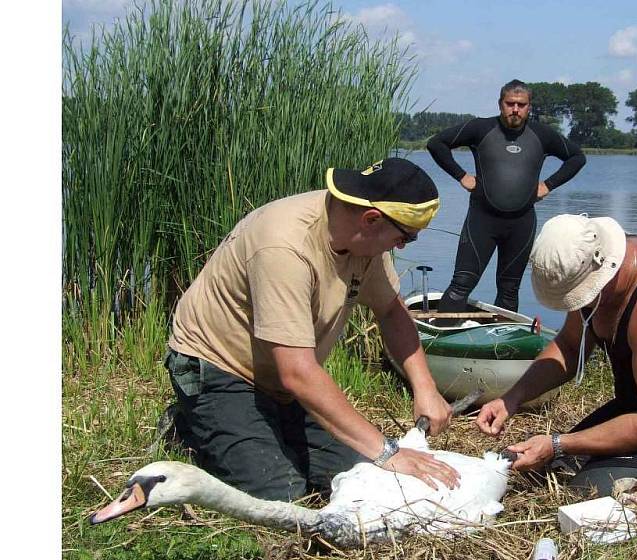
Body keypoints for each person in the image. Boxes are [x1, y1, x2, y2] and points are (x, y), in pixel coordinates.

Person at [164, 157, 460, 501]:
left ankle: (266, 427)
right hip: (221, 369)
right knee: (281, 494)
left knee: (358, 473)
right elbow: (298, 373)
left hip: (279, 379)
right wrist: (388, 451)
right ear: (372, 218)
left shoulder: (361, 238)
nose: (403, 247)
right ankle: (191, 428)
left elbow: (392, 311)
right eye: (404, 237)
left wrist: (424, 387)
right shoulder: (285, 246)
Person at [476, 214, 637, 503]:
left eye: (578, 296)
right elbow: (571, 346)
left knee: (593, 491)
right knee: (551, 471)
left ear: (601, 271)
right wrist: (512, 398)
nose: (578, 303)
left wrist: (557, 444)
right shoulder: (594, 275)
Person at [426, 79, 586, 315]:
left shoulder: (542, 135)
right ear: (500, 104)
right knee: (462, 284)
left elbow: (577, 158)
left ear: (529, 107)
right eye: (510, 103)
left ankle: (502, 346)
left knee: (509, 289)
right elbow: (436, 144)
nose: (515, 109)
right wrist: (461, 176)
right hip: (482, 221)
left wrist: (548, 185)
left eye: (521, 105)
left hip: (521, 224)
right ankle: (441, 337)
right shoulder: (480, 129)